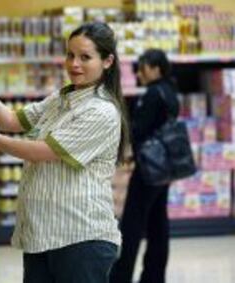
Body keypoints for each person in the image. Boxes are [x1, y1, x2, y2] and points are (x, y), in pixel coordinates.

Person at [0, 22, 129, 283]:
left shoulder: (101, 111)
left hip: (80, 238)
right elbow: (10, 120)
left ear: (107, 61)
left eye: (85, 57)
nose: (74, 64)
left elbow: (42, 151)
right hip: (43, 234)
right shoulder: (61, 99)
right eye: (70, 55)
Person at [110, 49, 180, 283]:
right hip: (166, 168)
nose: (139, 73)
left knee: (132, 224)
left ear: (156, 68)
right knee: (158, 223)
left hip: (148, 169)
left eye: (143, 68)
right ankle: (154, 276)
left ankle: (121, 277)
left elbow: (138, 130)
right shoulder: (171, 92)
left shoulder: (152, 94)